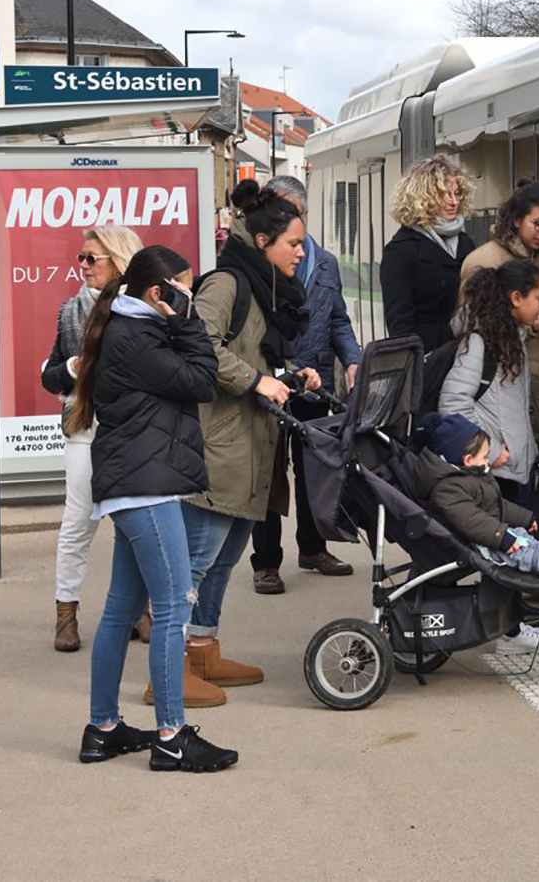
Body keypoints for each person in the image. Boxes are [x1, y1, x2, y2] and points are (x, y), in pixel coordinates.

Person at [72, 244, 239, 774]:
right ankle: (171, 737)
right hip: (145, 488)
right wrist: (187, 323)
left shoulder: (133, 329)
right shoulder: (138, 338)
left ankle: (102, 729)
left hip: (137, 484)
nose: (191, 299)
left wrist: (177, 321)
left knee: (123, 608)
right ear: (157, 294)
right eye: (184, 290)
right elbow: (200, 380)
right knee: (171, 608)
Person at [176, 186, 320, 709]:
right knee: (195, 562)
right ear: (262, 241)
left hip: (251, 443)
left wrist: (285, 375)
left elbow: (247, 352)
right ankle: (170, 672)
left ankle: (203, 649)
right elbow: (199, 344)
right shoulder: (228, 282)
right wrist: (257, 382)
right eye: (294, 244)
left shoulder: (261, 284)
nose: (301, 253)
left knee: (224, 557)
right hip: (223, 443)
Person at [247, 175, 358, 592]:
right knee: (270, 470)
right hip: (272, 379)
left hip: (313, 381)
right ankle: (267, 562)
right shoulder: (257, 263)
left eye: (292, 213)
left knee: (314, 468)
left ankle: (312, 548)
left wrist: (353, 360)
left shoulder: (325, 263)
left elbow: (338, 321)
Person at [42, 225, 143, 652]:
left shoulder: (142, 309)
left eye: (91, 258)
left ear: (119, 261)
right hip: (85, 429)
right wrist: (72, 368)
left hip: (132, 429)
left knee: (136, 524)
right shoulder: (70, 313)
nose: (82, 266)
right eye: (80, 257)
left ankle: (141, 612)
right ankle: (66, 614)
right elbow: (50, 378)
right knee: (78, 523)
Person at [458, 180, 539, 461]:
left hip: (532, 386)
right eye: (538, 223)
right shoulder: (485, 261)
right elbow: (469, 329)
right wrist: (531, 326)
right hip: (496, 395)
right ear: (516, 220)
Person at [442, 259, 539, 509]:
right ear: (516, 298)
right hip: (495, 475)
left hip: (512, 472)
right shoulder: (480, 343)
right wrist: (492, 452)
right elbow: (452, 405)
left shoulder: (512, 338)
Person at [414, 413, 539, 574]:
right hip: (478, 542)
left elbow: (496, 503)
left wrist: (524, 518)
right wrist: (501, 536)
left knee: (521, 536)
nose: (488, 461)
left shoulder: (471, 475)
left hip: (490, 531)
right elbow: (471, 520)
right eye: (485, 456)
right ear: (467, 459)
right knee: (515, 552)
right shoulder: (448, 489)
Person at [381, 154, 474, 352]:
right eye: (444, 194)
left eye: (457, 193)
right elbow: (400, 325)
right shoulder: (400, 251)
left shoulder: (466, 244)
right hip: (429, 360)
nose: (453, 201)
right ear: (423, 198)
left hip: (468, 355)